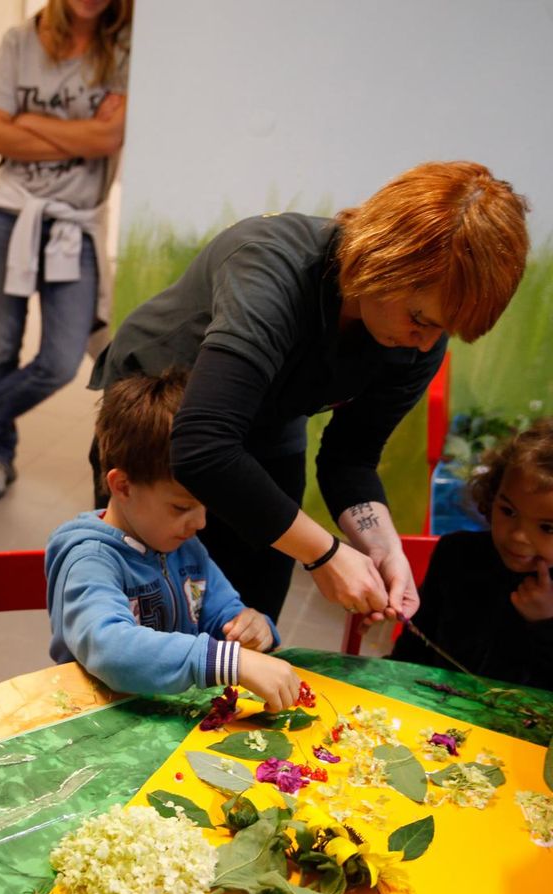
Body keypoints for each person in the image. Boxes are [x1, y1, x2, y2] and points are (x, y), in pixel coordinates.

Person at [90, 160, 530, 623]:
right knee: (149, 613)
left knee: (251, 618)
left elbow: (350, 458)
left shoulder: (417, 338)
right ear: (381, 263)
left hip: (265, 420)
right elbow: (202, 446)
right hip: (157, 415)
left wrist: (381, 546)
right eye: (420, 319)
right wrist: (322, 555)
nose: (425, 342)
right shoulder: (271, 268)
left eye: (443, 330)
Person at [0, 0, 131, 500]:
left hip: (75, 222)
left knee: (62, 359)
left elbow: (110, 137)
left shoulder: (122, 49)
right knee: (1, 346)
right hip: (7, 211)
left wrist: (27, 123)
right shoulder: (18, 41)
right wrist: (82, 135)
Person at [47, 371, 303, 709]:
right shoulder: (90, 560)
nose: (200, 522)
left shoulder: (185, 547)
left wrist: (254, 628)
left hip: (167, 717)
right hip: (94, 724)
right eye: (182, 506)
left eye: (205, 504)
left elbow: (225, 613)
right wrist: (228, 662)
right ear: (123, 486)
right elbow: (110, 648)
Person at [391, 418, 553, 689]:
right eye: (508, 511)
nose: (517, 536)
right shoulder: (456, 554)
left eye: (547, 527)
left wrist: (545, 624)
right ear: (493, 495)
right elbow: (414, 646)